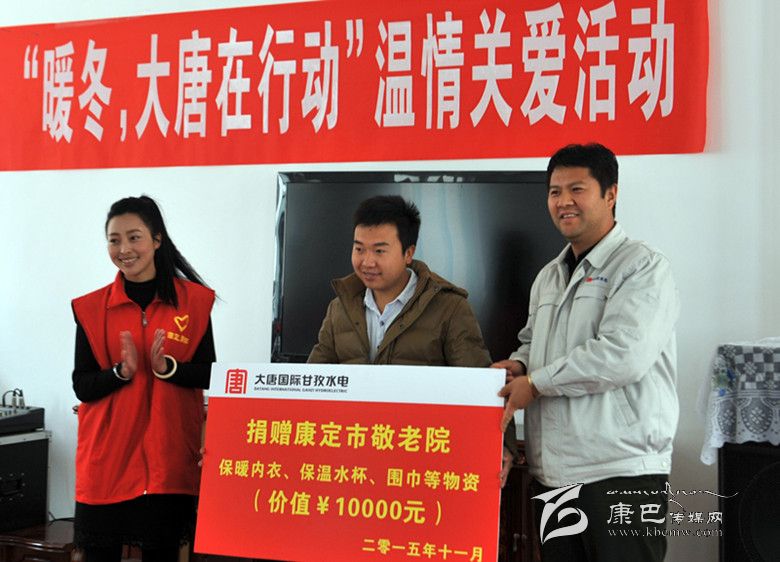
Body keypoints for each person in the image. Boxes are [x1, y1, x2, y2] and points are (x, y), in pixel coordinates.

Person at [494, 143, 679, 562]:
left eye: (577, 189)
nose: (563, 201)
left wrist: (536, 383)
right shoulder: (549, 275)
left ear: (611, 194)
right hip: (553, 473)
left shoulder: (642, 267)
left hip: (620, 471)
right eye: (554, 191)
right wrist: (520, 364)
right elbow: (532, 340)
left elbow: (623, 354)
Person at [71, 196, 216, 562]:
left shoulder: (194, 303)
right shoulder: (90, 308)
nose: (124, 249)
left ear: (156, 239)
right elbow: (82, 385)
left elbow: (209, 372)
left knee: (163, 552)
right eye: (114, 240)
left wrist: (168, 368)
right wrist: (120, 373)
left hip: (169, 460)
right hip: (107, 462)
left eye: (134, 237)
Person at [307, 194, 491, 367]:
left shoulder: (451, 308)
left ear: (408, 253)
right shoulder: (339, 308)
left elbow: (475, 382)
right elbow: (313, 380)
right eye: (359, 249)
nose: (367, 262)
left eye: (379, 251)